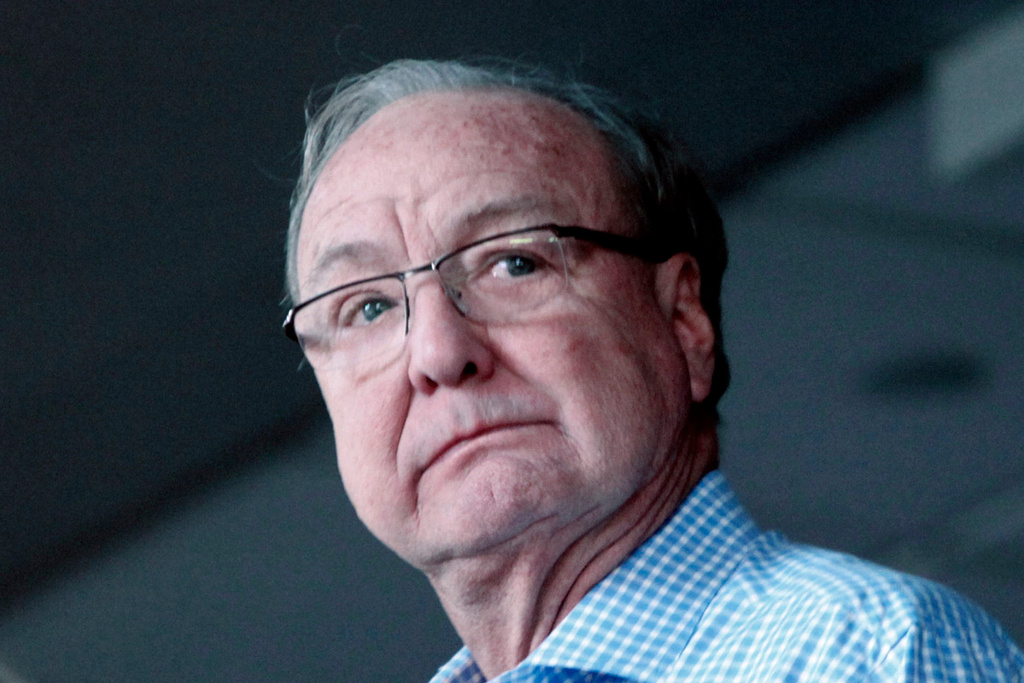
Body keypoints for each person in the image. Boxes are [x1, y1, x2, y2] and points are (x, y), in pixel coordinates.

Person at [281, 59, 1024, 681]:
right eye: (367, 307)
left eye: (514, 262)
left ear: (683, 320)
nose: (439, 355)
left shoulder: (865, 654)